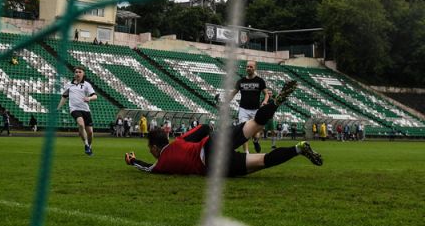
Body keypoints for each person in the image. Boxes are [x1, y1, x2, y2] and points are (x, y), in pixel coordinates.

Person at [125, 81, 322, 177]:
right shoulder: (179, 142)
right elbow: (204, 127)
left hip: (213, 166)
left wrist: (132, 160)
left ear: (154, 148)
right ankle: (274, 103)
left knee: (261, 161)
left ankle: (298, 149)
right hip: (213, 144)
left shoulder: (161, 165)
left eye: (149, 148)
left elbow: (146, 167)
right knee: (255, 123)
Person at [225, 60, 270, 154]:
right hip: (243, 110)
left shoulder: (260, 81)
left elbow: (266, 94)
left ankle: (255, 140)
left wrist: (265, 101)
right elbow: (233, 93)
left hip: (255, 110)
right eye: (247, 66)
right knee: (243, 131)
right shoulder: (241, 81)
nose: (249, 68)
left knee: (255, 133)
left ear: (255, 68)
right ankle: (246, 152)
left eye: (251, 67)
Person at [57, 66, 97, 155]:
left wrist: (89, 98)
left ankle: (89, 146)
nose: (78, 73)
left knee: (90, 132)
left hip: (85, 110)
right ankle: (86, 144)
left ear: (83, 74)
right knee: (81, 124)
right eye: (76, 72)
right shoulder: (69, 85)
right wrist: (58, 108)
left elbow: (95, 96)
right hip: (74, 109)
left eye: (80, 72)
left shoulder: (87, 84)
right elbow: (64, 97)